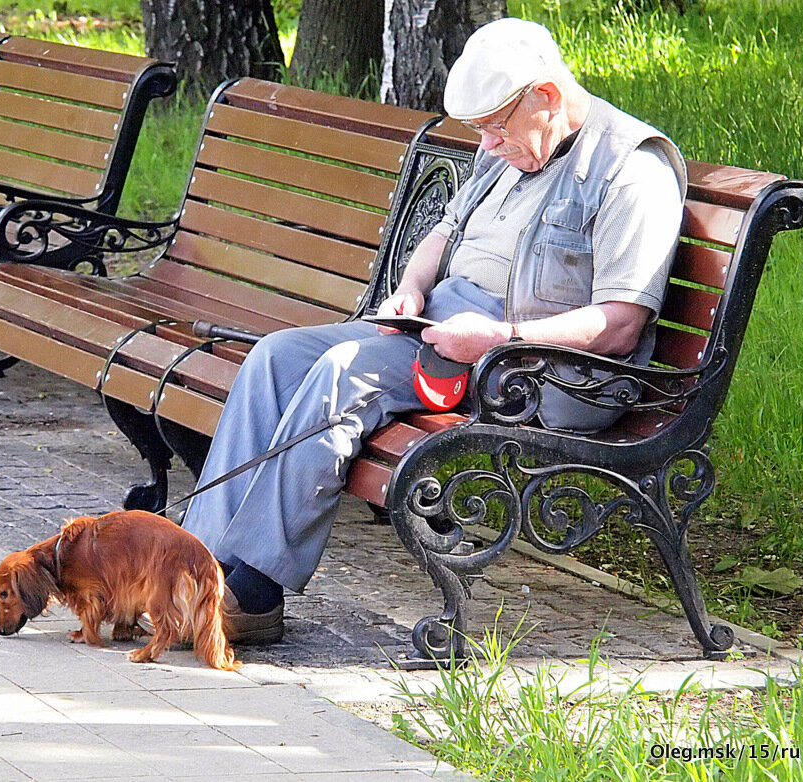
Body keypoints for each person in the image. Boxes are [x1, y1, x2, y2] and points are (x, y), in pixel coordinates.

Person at [181, 17, 686, 644]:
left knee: (343, 375)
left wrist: (499, 336)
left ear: (547, 96)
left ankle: (254, 591)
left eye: (496, 127)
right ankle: (195, 566)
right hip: (445, 329)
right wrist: (411, 288)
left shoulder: (630, 170)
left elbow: (620, 325)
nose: (488, 145)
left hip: (535, 370)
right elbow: (444, 233)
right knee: (277, 357)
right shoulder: (508, 148)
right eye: (481, 131)